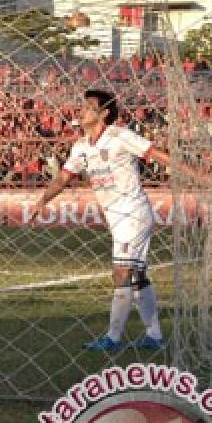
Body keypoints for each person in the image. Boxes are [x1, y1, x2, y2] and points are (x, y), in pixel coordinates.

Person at [33, 89, 173, 352]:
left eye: (88, 106)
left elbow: (154, 154)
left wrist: (190, 171)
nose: (81, 110)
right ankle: (154, 336)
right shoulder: (81, 146)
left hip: (133, 212)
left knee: (121, 273)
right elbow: (64, 178)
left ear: (104, 113)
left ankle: (113, 338)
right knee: (138, 275)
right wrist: (43, 200)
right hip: (117, 217)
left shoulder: (120, 135)